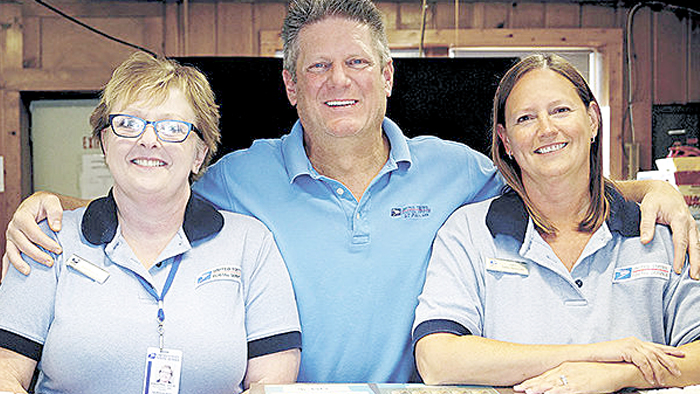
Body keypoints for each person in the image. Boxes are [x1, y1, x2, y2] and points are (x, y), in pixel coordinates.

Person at [2, 0, 699, 384]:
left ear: (388, 74)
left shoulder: (454, 170)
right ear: (290, 85)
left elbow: (551, 175)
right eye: (320, 66)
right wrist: (55, 206)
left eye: (357, 62)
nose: (340, 81)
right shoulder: (239, 177)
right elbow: (150, 186)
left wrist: (646, 191)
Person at [0, 52, 301, 393]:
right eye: (128, 123)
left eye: (172, 128)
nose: (148, 140)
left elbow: (271, 382)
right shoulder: (46, 240)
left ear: (200, 152)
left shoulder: (250, 244)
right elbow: (5, 374)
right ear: (104, 140)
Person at [412, 54, 700, 393]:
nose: (546, 129)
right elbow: (436, 359)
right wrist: (595, 356)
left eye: (561, 110)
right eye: (526, 118)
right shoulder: (469, 232)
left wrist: (616, 375)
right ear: (506, 141)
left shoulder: (659, 231)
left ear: (593, 120)